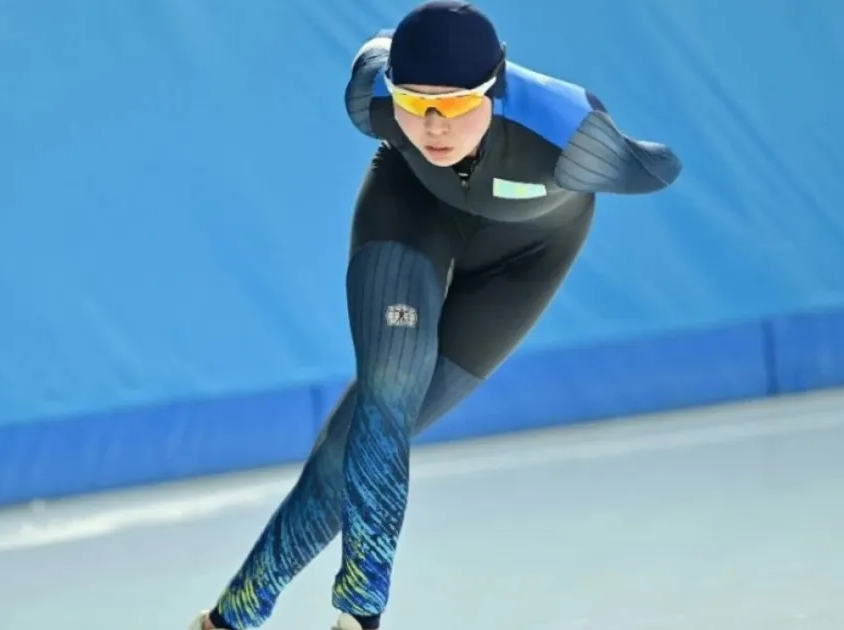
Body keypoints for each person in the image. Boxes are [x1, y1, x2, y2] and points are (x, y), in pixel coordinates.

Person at [188, 2, 681, 629]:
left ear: (494, 90)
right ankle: (354, 615)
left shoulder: (568, 134)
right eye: (414, 103)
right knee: (386, 400)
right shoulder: (371, 98)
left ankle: (231, 615)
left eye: (452, 106)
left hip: (527, 257)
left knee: (354, 442)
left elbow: (656, 166)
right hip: (411, 210)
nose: (432, 126)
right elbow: (377, 52)